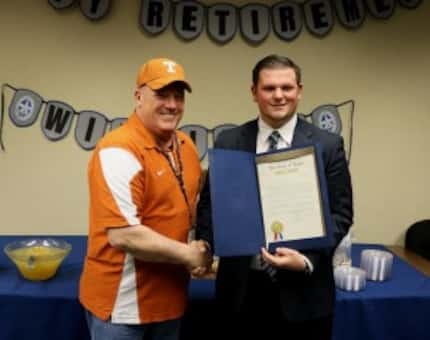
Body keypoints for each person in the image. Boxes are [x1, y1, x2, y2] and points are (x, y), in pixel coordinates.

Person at [196, 54, 353, 340]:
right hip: (240, 293)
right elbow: (209, 204)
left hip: (305, 294)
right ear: (254, 92)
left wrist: (307, 260)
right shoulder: (229, 141)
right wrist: (206, 245)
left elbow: (341, 213)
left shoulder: (328, 145)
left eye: (287, 87)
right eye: (269, 88)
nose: (279, 95)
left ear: (300, 91)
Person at [79, 57, 212, 340]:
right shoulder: (118, 149)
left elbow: (194, 207)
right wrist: (190, 254)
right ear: (138, 96)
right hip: (122, 306)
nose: (172, 104)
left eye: (178, 96)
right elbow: (124, 235)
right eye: (161, 94)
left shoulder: (186, 146)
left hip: (170, 300)